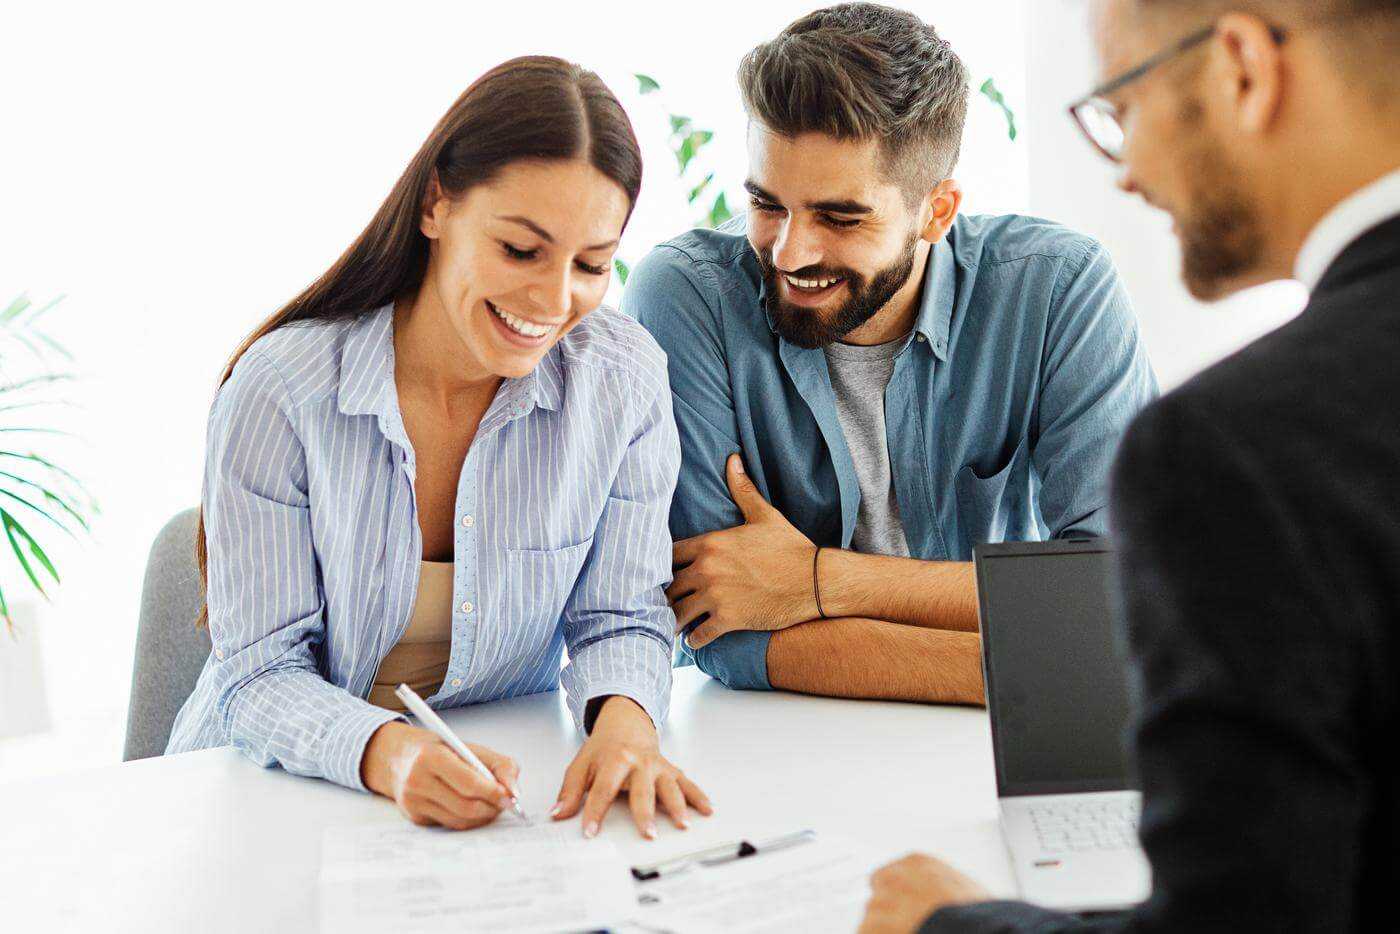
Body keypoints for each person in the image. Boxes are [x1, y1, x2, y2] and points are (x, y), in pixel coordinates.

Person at [862, 0, 1400, 930]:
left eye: (1123, 108)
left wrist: (954, 924)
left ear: (1241, 69)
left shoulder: (1235, 450)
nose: (1128, 175)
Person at [166, 56, 712, 840]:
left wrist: (624, 726)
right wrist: (390, 757)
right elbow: (258, 673)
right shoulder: (281, 390)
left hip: (496, 798)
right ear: (436, 205)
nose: (556, 301)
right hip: (268, 796)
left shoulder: (622, 382)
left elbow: (621, 615)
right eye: (522, 251)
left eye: (592, 264)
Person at [622, 3, 1157, 703]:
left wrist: (815, 580)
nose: (790, 252)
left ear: (937, 210)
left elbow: (1118, 590)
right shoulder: (687, 296)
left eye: (839, 217)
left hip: (992, 748)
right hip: (780, 740)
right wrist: (1032, 663)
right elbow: (718, 620)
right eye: (768, 204)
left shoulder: (1057, 288)